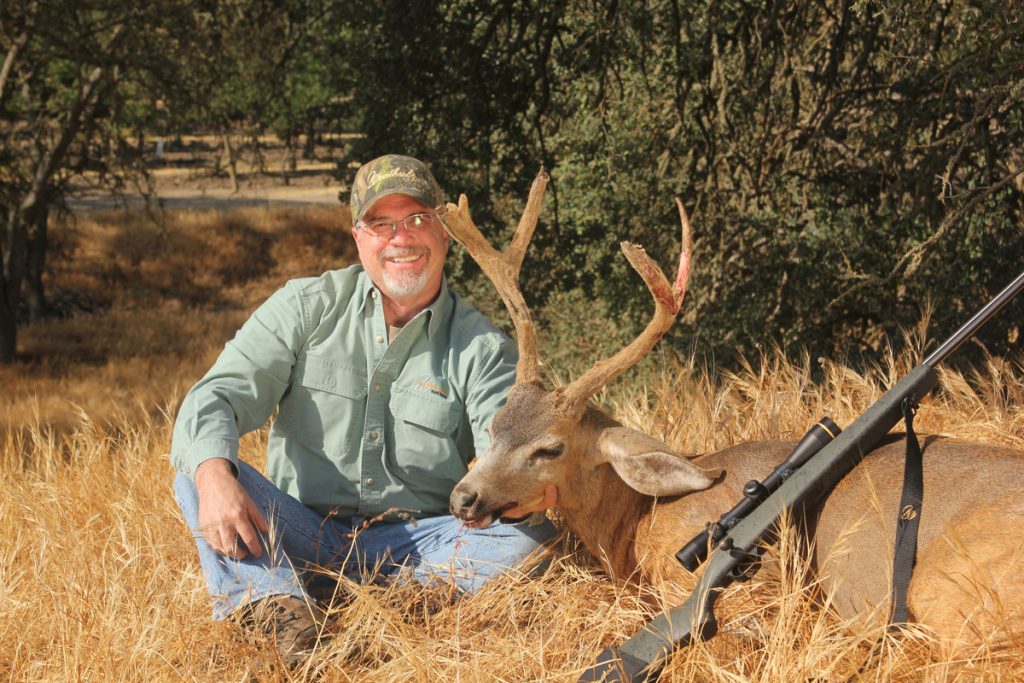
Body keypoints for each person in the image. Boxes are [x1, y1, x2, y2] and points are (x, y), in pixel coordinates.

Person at [171, 154, 557, 666]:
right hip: (301, 526)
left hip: (422, 544)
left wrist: (527, 491)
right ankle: (283, 612)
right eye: (381, 223)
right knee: (201, 472)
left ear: (444, 233)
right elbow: (214, 397)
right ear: (359, 237)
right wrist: (214, 476)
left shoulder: (482, 349)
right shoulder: (306, 307)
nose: (402, 238)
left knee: (534, 538)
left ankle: (397, 607)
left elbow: (509, 451)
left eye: (418, 219)